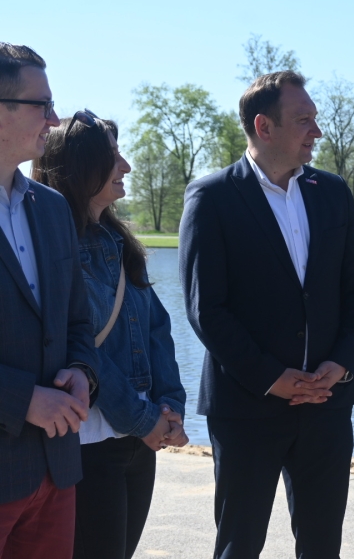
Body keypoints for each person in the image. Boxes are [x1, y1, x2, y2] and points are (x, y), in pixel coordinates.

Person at [179, 70, 354, 559]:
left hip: (327, 403)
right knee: (239, 546)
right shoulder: (212, 197)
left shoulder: (333, 192)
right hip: (247, 407)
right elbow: (207, 310)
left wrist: (342, 364)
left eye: (315, 119)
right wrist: (271, 377)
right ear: (264, 127)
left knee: (322, 547)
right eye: (304, 120)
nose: (317, 131)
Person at [31, 110, 189, 559]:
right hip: (89, 444)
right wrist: (145, 420)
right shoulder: (56, 246)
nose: (126, 166)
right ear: (81, 166)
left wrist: (169, 407)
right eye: (113, 156)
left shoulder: (118, 242)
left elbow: (157, 328)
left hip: (138, 439)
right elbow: (83, 350)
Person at [0, 43, 100, 558]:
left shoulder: (54, 208)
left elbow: (77, 320)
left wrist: (82, 372)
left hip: (55, 470)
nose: (55, 120)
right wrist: (22, 401)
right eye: (43, 105)